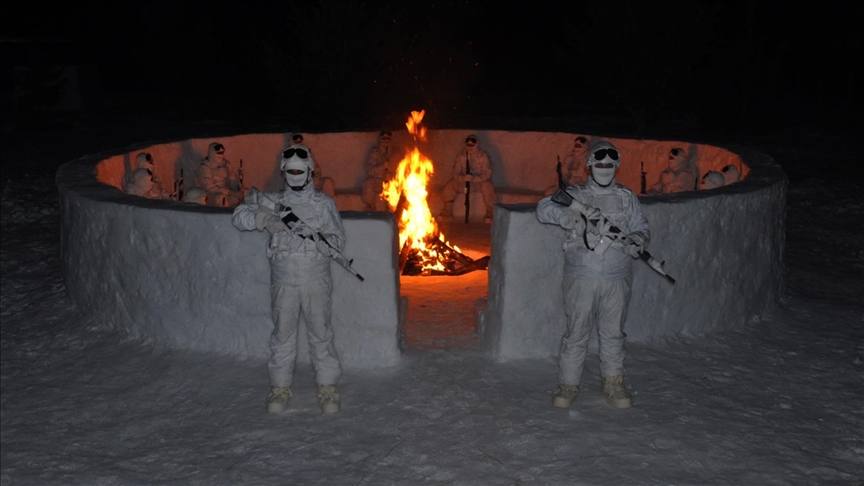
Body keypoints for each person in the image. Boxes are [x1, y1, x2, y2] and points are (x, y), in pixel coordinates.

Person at [231, 143, 346, 415]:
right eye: (290, 170)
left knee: (321, 334)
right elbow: (239, 216)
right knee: (282, 335)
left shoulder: (323, 204)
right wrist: (263, 219)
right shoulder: (272, 201)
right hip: (283, 280)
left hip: (315, 279)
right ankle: (280, 386)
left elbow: (338, 238)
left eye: (300, 170)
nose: (295, 175)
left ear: (310, 172)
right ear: (283, 172)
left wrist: (323, 243)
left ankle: (327, 386)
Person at [536, 140, 650, 410]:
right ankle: (568, 383)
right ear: (589, 165)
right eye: (599, 163)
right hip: (581, 276)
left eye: (610, 164)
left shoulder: (626, 197)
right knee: (577, 333)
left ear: (617, 166)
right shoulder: (576, 194)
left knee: (612, 334)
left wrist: (637, 239)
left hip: (617, 276)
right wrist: (567, 217)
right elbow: (543, 209)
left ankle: (613, 383)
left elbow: (641, 226)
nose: (605, 168)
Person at [440, 133, 497, 223]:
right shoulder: (461, 155)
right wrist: (462, 178)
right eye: (468, 144)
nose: (470, 146)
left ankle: (491, 212)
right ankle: (447, 210)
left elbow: (487, 172)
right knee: (451, 185)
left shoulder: (483, 156)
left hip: (479, 182)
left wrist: (475, 178)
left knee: (488, 186)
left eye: (472, 144)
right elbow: (455, 171)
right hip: (464, 182)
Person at [195, 142, 245, 207]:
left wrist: (238, 188)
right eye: (218, 153)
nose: (221, 155)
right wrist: (232, 193)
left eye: (222, 153)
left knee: (246, 193)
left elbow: (232, 180)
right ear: (212, 153)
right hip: (210, 196)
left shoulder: (226, 165)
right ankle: (221, 215)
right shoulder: (204, 167)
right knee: (220, 198)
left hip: (227, 194)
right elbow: (210, 187)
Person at [361, 130, 398, 211]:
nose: (386, 142)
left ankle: (395, 208)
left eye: (387, 139)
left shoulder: (396, 155)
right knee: (368, 183)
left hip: (393, 183)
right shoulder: (375, 154)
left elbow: (403, 171)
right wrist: (382, 167)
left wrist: (391, 174)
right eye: (383, 139)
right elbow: (370, 170)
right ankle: (371, 206)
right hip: (379, 182)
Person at [291, 133, 335, 198]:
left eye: (300, 142)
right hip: (301, 183)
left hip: (314, 181)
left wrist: (316, 176)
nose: (298, 144)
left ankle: (329, 205)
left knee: (328, 182)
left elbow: (316, 167)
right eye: (296, 142)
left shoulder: (307, 153)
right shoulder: (289, 155)